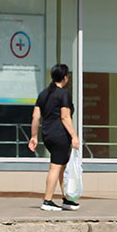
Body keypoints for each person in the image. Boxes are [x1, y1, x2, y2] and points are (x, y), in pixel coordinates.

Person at [28, 63, 81, 211]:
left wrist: (34, 136)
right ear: (65, 77)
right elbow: (65, 117)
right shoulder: (63, 94)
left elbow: (35, 117)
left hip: (47, 134)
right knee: (55, 167)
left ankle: (67, 199)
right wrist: (74, 136)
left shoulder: (43, 94)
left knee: (62, 167)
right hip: (60, 135)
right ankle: (47, 200)